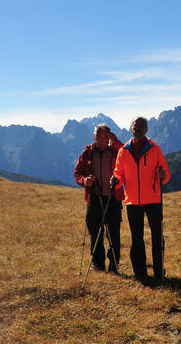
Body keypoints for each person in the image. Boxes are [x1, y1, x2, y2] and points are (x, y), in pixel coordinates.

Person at [111, 116, 171, 281]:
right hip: (133, 201)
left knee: (157, 237)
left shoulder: (155, 149)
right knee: (136, 239)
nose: (138, 128)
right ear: (131, 128)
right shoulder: (123, 151)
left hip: (153, 199)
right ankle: (140, 274)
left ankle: (159, 274)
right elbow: (119, 173)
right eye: (136, 126)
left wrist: (163, 175)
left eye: (141, 126)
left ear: (146, 130)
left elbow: (165, 174)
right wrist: (115, 181)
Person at [72, 124, 125, 273]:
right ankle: (98, 264)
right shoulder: (87, 153)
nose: (102, 139)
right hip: (94, 197)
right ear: (94, 136)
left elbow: (126, 154)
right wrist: (85, 181)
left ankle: (114, 264)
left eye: (105, 136)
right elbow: (77, 173)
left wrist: (116, 141)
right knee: (95, 231)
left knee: (113, 232)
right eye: (98, 136)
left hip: (113, 198)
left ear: (109, 136)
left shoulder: (116, 149)